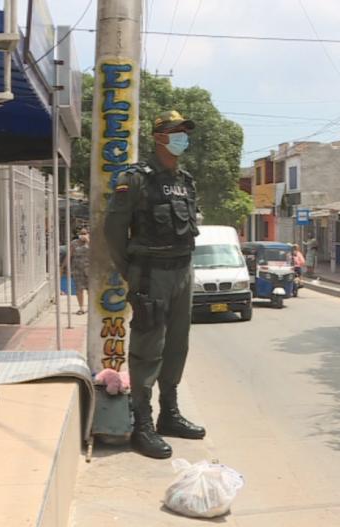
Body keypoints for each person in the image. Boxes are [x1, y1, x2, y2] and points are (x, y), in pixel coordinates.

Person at [105, 110, 205, 459]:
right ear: (160, 137)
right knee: (148, 347)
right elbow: (113, 231)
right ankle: (142, 424)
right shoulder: (134, 179)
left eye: (184, 132)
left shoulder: (187, 180)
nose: (182, 138)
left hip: (182, 271)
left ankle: (170, 414)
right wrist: (131, 271)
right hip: (151, 273)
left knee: (177, 344)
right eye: (176, 132)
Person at [69, 226, 90, 315]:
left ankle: (91, 307)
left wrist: (88, 241)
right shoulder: (74, 243)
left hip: (90, 269)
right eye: (81, 233)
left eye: (84, 233)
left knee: (91, 289)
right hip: (77, 269)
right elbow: (70, 255)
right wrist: (63, 267)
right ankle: (81, 308)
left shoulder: (93, 242)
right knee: (79, 289)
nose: (82, 235)